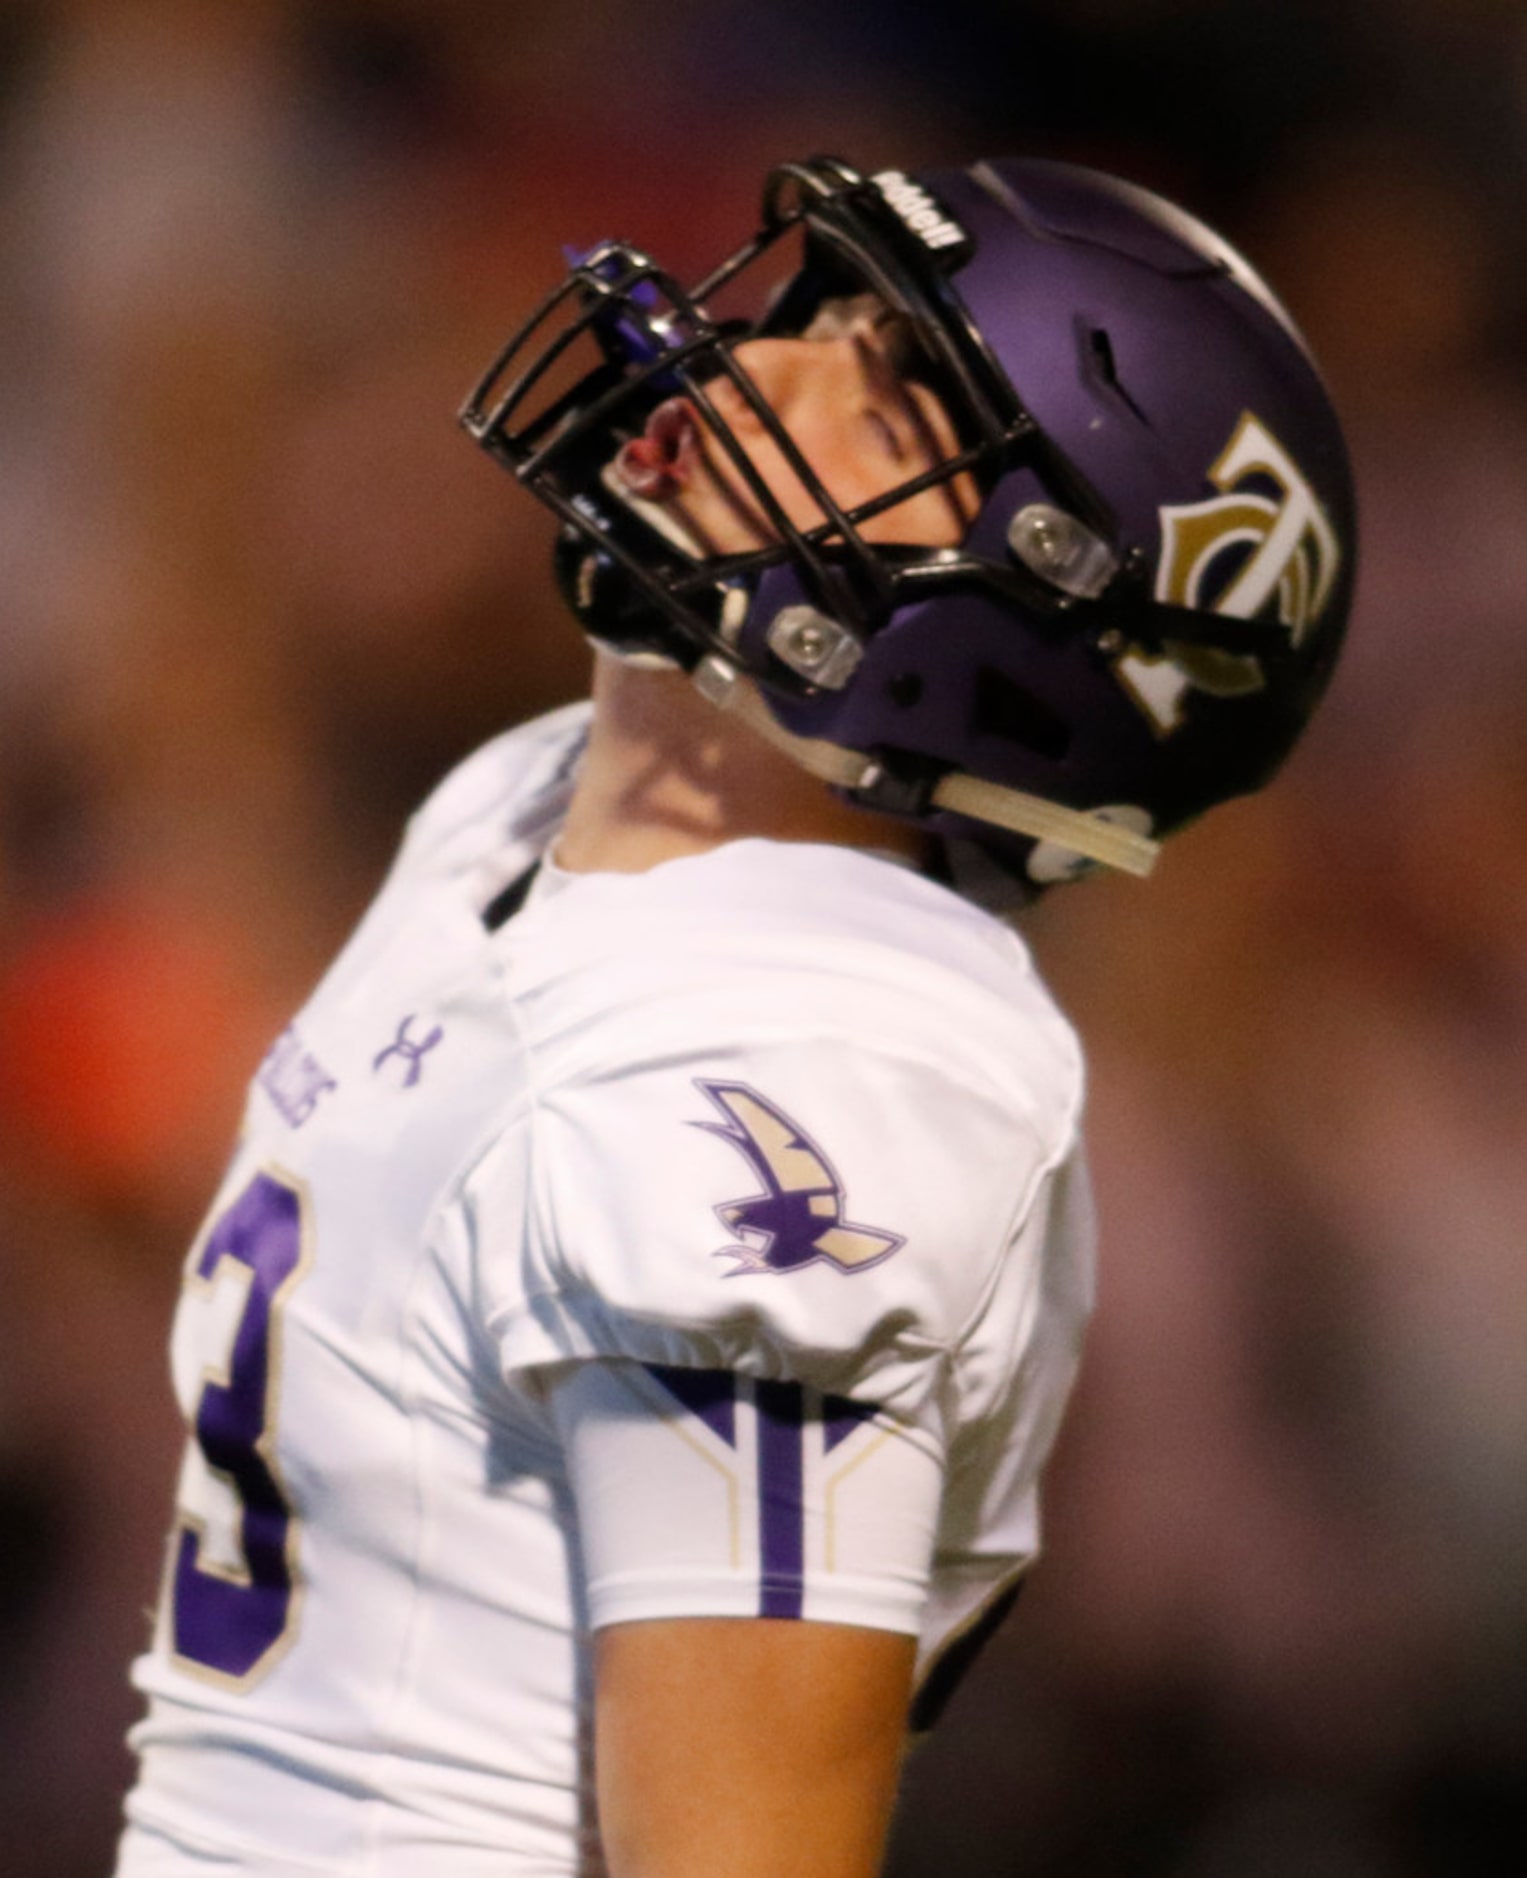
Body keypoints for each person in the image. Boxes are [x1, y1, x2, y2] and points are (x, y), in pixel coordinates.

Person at [112, 154, 1355, 1876]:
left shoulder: (801, 1057)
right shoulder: (523, 800)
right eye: (829, 315)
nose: (752, 366)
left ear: (1052, 630)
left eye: (898, 409)